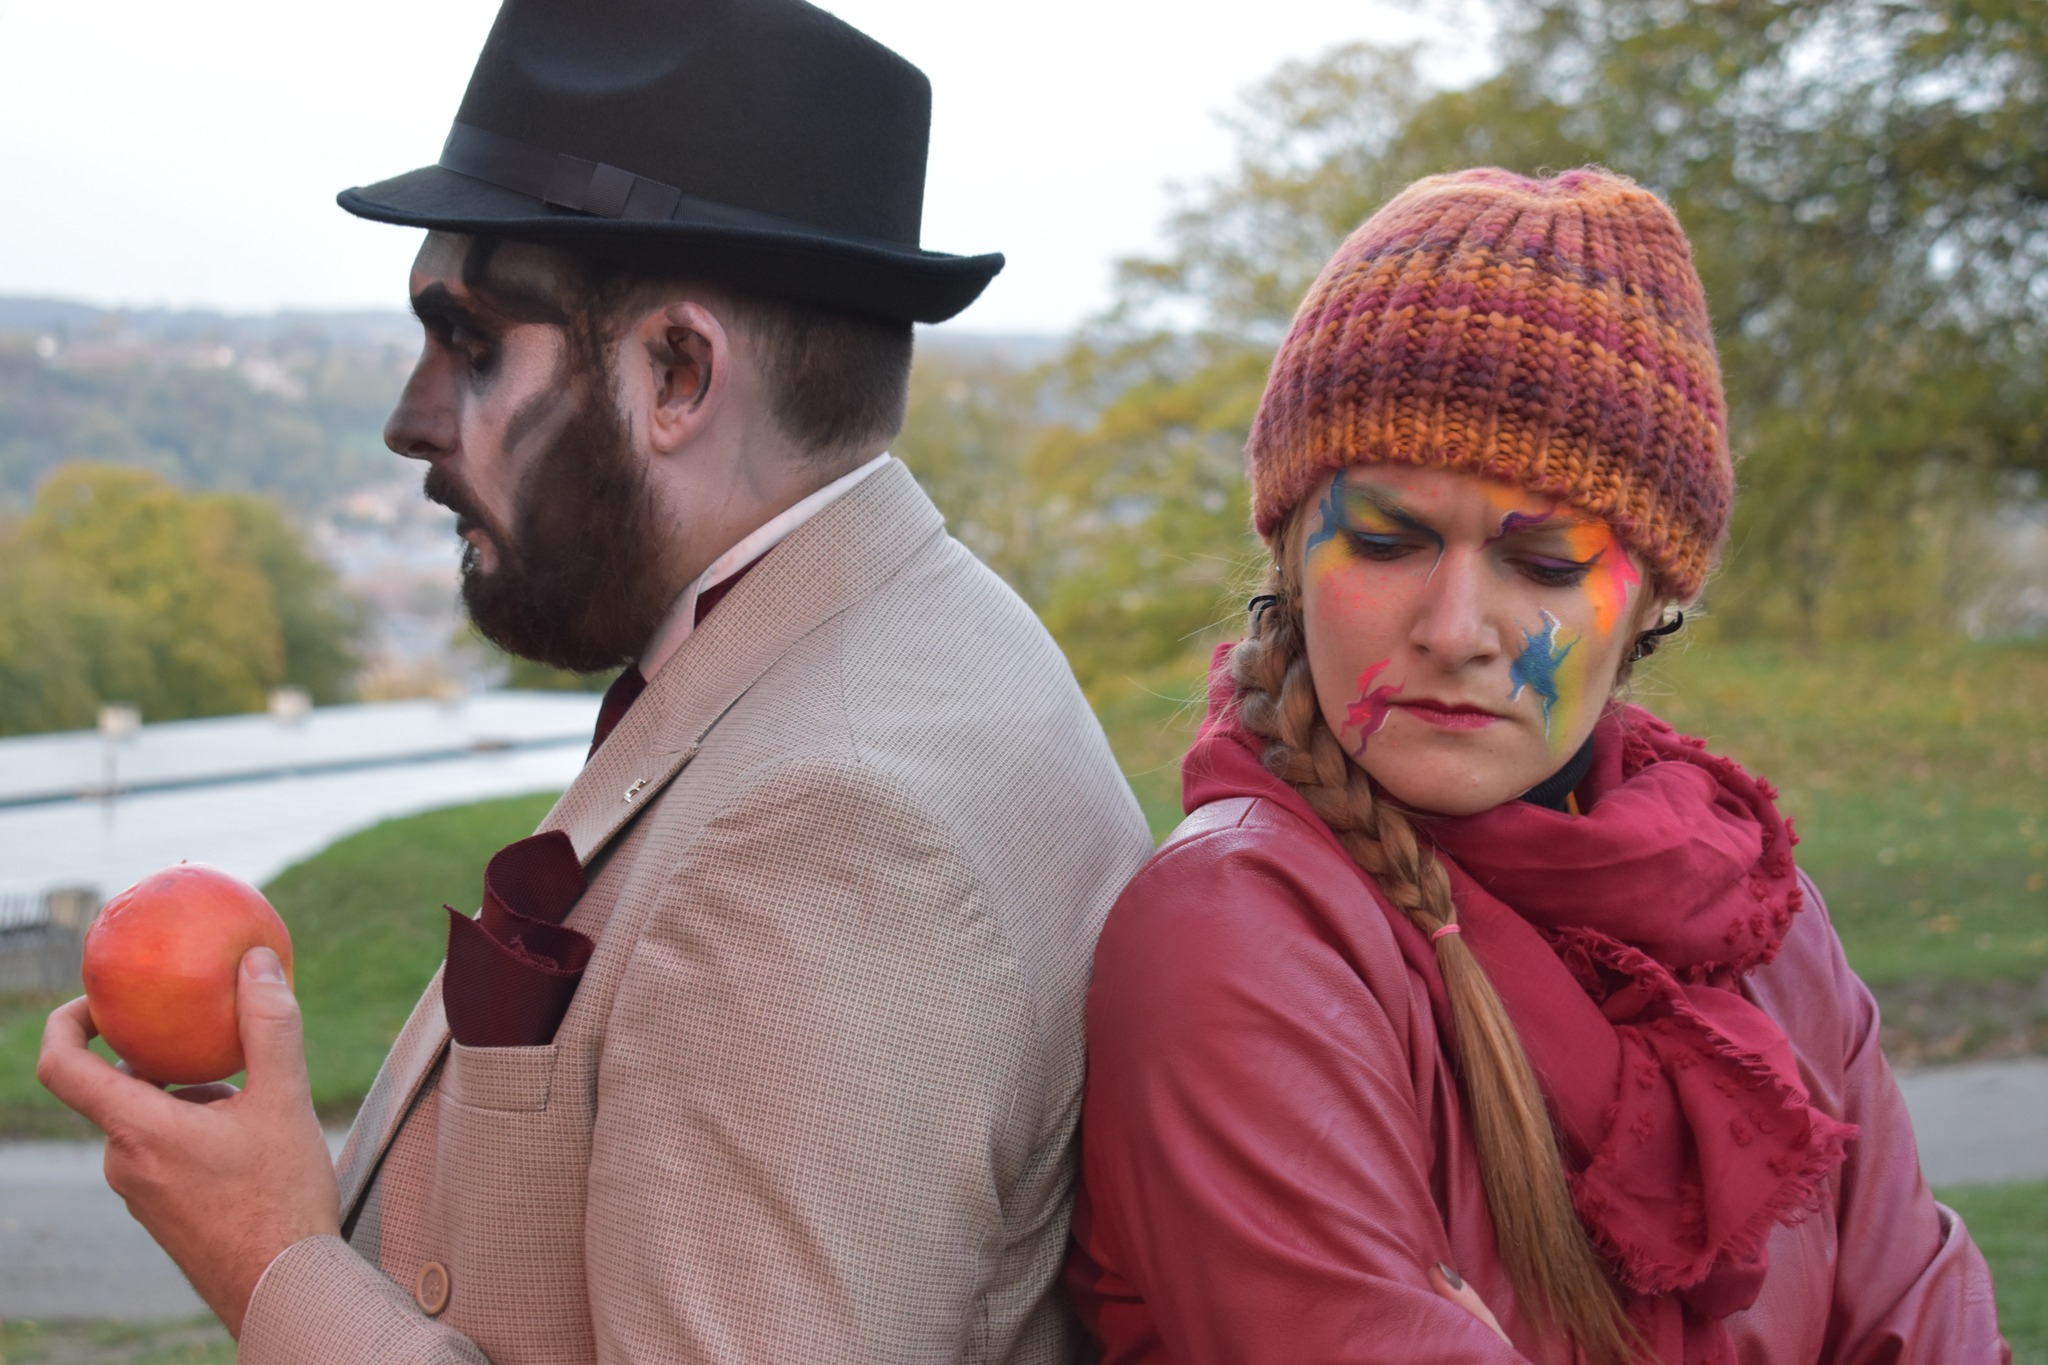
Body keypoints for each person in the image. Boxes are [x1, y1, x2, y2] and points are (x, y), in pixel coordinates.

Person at [37, 1, 1154, 1360]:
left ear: (678, 372)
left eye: (469, 344)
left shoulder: (829, 829)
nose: (408, 421)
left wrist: (266, 1259)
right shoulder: (899, 635)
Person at [1064, 167, 2008, 1364]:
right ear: (1291, 556)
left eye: (1547, 564)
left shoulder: (1756, 919)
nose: (1455, 629)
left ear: (1651, 604)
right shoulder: (1233, 934)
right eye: (1386, 542)